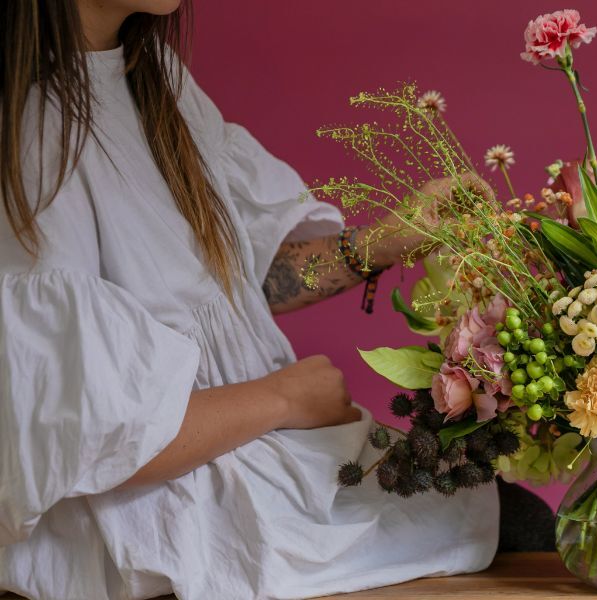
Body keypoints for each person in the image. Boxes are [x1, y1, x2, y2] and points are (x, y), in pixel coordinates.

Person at [0, 1, 502, 598]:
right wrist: (282, 397)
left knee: (488, 508)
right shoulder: (36, 137)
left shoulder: (151, 74)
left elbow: (238, 282)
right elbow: (89, 439)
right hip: (155, 527)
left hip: (247, 465)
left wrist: (392, 236)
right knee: (487, 526)